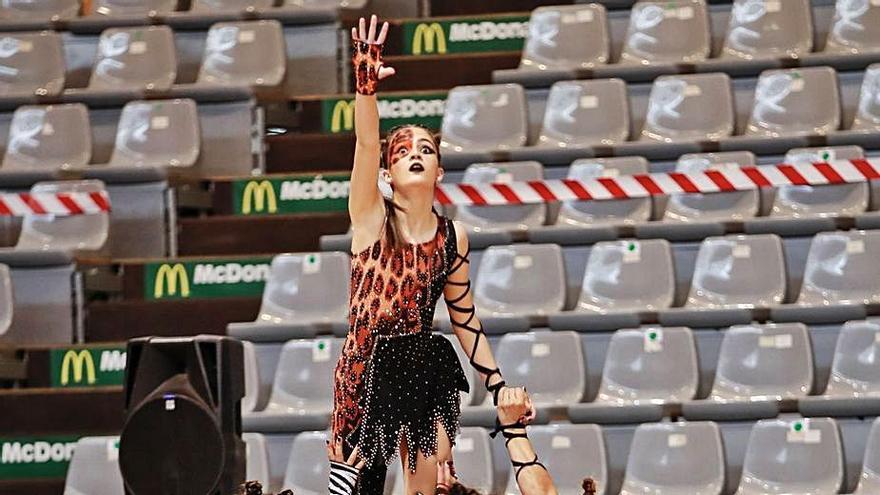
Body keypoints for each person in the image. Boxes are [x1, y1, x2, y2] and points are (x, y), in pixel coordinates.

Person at [331, 14, 535, 495]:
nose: (415, 154)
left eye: (426, 149)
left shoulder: (453, 237)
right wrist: (365, 91)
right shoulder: (369, 217)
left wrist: (498, 382)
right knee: (360, 487)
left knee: (428, 487)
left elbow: (465, 317)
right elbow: (365, 142)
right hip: (365, 367)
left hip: (420, 363)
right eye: (402, 152)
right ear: (388, 171)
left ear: (440, 171)